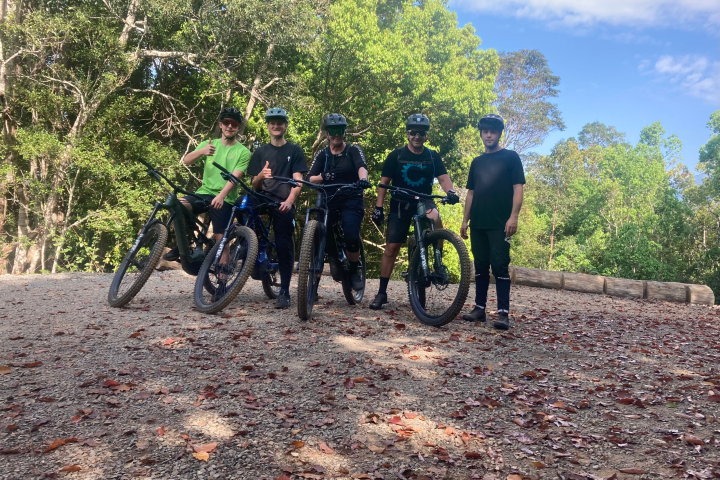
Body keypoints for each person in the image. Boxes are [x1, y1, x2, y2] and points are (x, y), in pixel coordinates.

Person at [369, 114, 460, 310]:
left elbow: (443, 178)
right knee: (391, 248)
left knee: (435, 218)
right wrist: (378, 207)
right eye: (413, 132)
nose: (417, 136)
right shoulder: (396, 155)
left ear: (426, 135)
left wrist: (450, 192)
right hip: (400, 202)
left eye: (421, 133)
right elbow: (384, 183)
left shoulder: (432, 156)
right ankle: (381, 292)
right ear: (407, 133)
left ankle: (437, 260)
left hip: (424, 199)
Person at [460, 113, 525, 331]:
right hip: (478, 222)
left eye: (493, 132)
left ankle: (503, 314)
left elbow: (518, 188)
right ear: (481, 133)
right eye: (485, 131)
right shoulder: (477, 162)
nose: (489, 135)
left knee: (499, 267)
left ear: (499, 134)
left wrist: (513, 216)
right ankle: (479, 309)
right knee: (480, 267)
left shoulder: (511, 157)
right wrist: (464, 221)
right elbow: (471, 192)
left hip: (500, 223)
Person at [164, 107, 251, 261]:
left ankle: (224, 279)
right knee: (177, 206)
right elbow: (186, 161)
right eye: (226, 122)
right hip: (203, 193)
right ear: (220, 125)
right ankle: (184, 244)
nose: (230, 126)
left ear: (238, 128)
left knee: (222, 244)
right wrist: (201, 151)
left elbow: (235, 177)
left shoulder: (243, 152)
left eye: (234, 123)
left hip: (225, 198)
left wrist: (221, 196)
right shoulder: (209, 144)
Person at [246, 108, 307, 309]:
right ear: (268, 126)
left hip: (282, 201)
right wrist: (260, 176)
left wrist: (289, 201)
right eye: (272, 122)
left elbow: (299, 181)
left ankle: (285, 291)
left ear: (285, 126)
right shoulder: (260, 152)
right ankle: (250, 251)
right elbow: (254, 184)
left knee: (283, 244)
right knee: (240, 206)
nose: (276, 125)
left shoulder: (294, 150)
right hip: (262, 197)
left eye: (280, 122)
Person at [307, 114, 371, 292]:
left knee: (351, 234)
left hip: (351, 198)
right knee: (319, 235)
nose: (336, 135)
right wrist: (323, 177)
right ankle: (313, 285)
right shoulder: (323, 154)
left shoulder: (353, 150)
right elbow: (309, 177)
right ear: (327, 134)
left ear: (344, 132)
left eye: (340, 131)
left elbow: (361, 167)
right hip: (328, 200)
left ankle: (353, 271)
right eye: (333, 131)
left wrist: (363, 179)